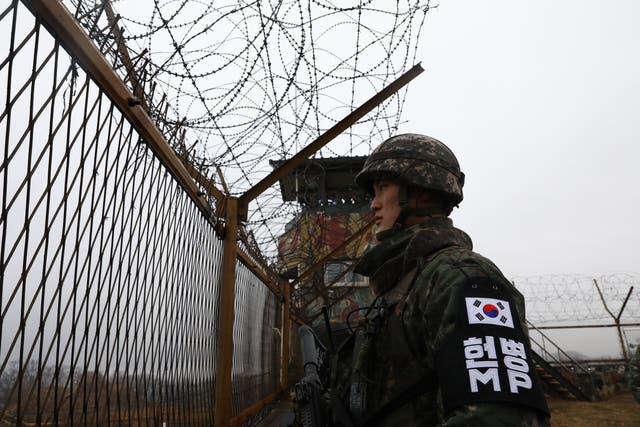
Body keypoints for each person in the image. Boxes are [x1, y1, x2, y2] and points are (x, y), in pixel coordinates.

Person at [332, 134, 550, 426]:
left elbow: (499, 417)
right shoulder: (407, 279)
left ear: (420, 191)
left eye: (382, 188)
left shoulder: (461, 276)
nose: (374, 205)